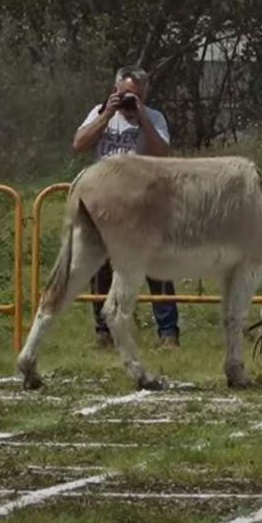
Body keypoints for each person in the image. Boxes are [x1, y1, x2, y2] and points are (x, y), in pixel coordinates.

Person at [72, 65, 180, 348]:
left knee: (156, 263)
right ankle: (104, 331)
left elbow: (163, 153)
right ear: (116, 92)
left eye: (139, 96)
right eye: (128, 96)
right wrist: (107, 114)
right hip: (105, 201)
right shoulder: (100, 112)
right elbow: (79, 144)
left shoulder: (153, 117)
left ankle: (168, 332)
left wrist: (142, 116)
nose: (133, 101)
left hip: (143, 202)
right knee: (101, 265)